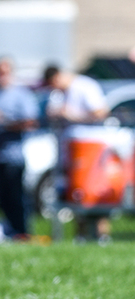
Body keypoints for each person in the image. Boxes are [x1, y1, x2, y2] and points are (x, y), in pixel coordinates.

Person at [43, 65, 111, 242]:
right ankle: (81, 235)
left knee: (93, 191)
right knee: (75, 193)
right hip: (70, 149)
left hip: (89, 147)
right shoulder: (60, 94)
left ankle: (102, 235)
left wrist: (72, 116)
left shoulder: (85, 86)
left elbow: (101, 112)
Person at [0, 57, 39, 238]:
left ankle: (22, 231)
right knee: (2, 196)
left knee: (16, 196)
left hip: (15, 155)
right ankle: (9, 230)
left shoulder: (21, 94)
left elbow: (30, 122)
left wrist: (3, 122)